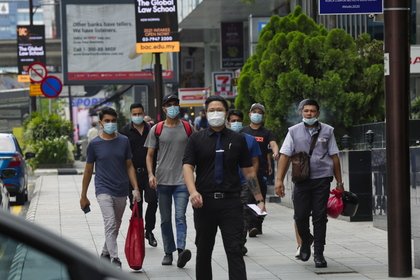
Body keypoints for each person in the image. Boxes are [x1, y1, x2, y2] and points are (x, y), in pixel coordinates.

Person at [183, 95, 265, 280]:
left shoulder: (238, 139)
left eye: (219, 110)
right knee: (203, 251)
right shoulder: (196, 139)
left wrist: (259, 199)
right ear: (205, 113)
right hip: (204, 203)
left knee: (235, 250)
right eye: (211, 110)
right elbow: (188, 166)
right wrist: (193, 191)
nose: (215, 114)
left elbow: (249, 171)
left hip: (231, 203)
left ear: (226, 114)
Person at [275, 99, 344, 268]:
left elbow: (334, 156)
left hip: (322, 179)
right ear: (301, 113)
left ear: (318, 113)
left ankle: (319, 254)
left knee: (320, 217)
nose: (309, 114)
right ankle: (306, 240)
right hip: (301, 180)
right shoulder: (293, 131)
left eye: (313, 111)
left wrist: (340, 182)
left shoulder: (328, 131)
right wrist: (279, 180)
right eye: (306, 111)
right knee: (300, 215)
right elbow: (285, 155)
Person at [80, 106, 141, 269]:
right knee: (110, 223)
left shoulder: (124, 141)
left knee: (116, 222)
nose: (110, 123)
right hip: (103, 189)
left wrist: (135, 188)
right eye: (107, 121)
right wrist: (83, 195)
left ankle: (105, 253)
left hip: (121, 189)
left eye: (113, 121)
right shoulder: (94, 144)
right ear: (101, 123)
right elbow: (88, 170)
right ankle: (115, 259)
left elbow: (129, 166)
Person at [145, 94, 193, 268]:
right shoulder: (156, 129)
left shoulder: (188, 128)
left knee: (180, 216)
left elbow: (195, 152)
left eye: (175, 104)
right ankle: (168, 252)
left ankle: (181, 251)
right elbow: (149, 155)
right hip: (163, 181)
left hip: (183, 180)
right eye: (169, 105)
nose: (173, 107)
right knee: (165, 219)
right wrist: (151, 175)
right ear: (164, 108)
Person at [119, 103, 158, 247]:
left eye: (139, 113)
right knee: (136, 205)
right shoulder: (124, 132)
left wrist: (154, 172)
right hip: (132, 174)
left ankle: (149, 230)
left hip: (150, 173)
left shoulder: (151, 130)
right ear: (130, 115)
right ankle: (140, 233)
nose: (137, 116)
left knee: (153, 200)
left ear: (144, 113)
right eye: (134, 114)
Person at [226, 109, 262, 256]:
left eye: (238, 121)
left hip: (244, 182)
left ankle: (240, 243)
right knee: (230, 214)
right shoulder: (222, 138)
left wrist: (251, 178)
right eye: (232, 121)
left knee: (244, 213)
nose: (236, 123)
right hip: (228, 183)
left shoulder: (250, 140)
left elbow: (255, 162)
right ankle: (232, 241)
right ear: (228, 122)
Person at [241, 103, 279, 237]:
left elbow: (273, 144)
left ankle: (257, 225)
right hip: (246, 170)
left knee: (259, 197)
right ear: (249, 114)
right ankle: (251, 226)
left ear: (263, 116)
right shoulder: (243, 131)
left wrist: (275, 152)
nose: (256, 114)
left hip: (260, 171)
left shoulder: (266, 132)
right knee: (248, 198)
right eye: (254, 111)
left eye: (259, 112)